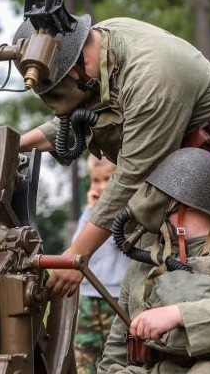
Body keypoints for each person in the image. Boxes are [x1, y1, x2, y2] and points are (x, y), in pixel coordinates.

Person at [16, 15, 210, 299]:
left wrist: (78, 254)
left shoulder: (153, 76)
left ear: (78, 68)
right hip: (177, 164)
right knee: (162, 282)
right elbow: (83, 116)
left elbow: (130, 176)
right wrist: (15, 144)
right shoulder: (102, 44)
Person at [98, 148, 210, 373]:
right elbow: (117, 349)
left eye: (161, 195)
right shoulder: (143, 263)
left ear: (185, 201)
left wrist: (178, 314)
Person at [74, 155, 131, 374]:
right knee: (84, 357)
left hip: (116, 297)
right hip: (89, 295)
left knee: (118, 357)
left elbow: (121, 244)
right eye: (96, 181)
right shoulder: (89, 214)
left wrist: (107, 215)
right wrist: (91, 211)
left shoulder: (127, 214)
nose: (101, 186)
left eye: (108, 179)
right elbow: (77, 248)